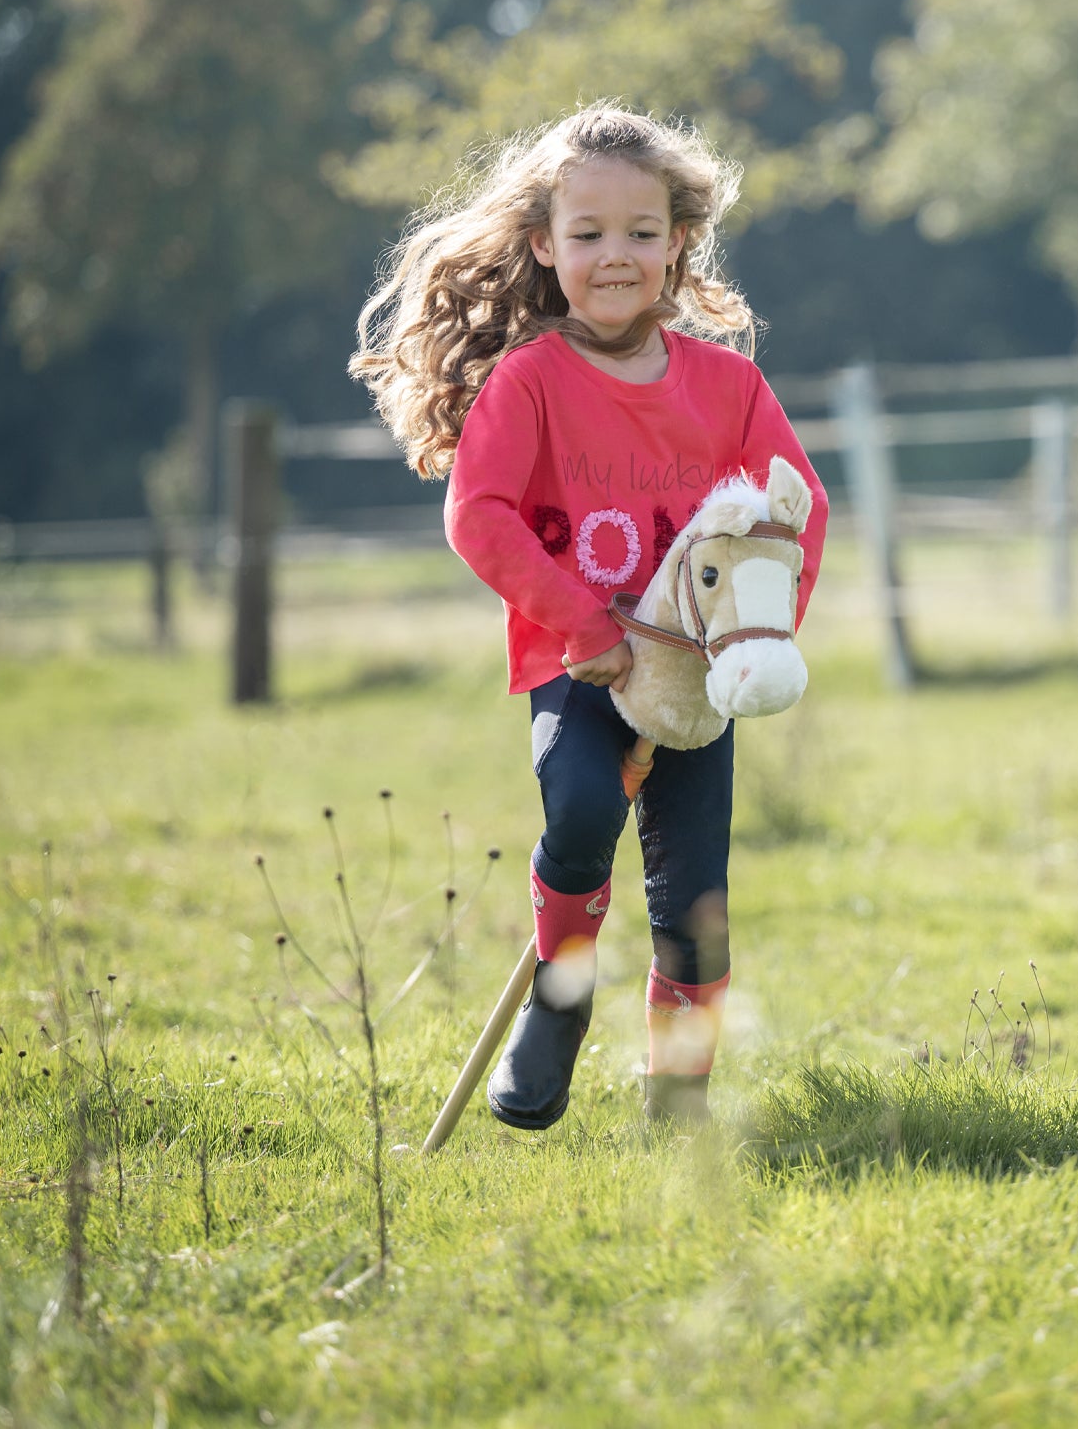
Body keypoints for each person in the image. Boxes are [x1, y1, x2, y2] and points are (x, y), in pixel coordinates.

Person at [351, 104, 827, 1127]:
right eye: (589, 233)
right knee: (579, 815)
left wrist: (760, 637)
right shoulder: (528, 384)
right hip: (584, 666)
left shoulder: (730, 387)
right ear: (544, 245)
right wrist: (585, 626)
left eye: (643, 233)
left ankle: (680, 1094)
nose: (618, 256)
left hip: (696, 688)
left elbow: (800, 507)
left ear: (678, 243)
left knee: (694, 902)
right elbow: (478, 518)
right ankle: (559, 1006)